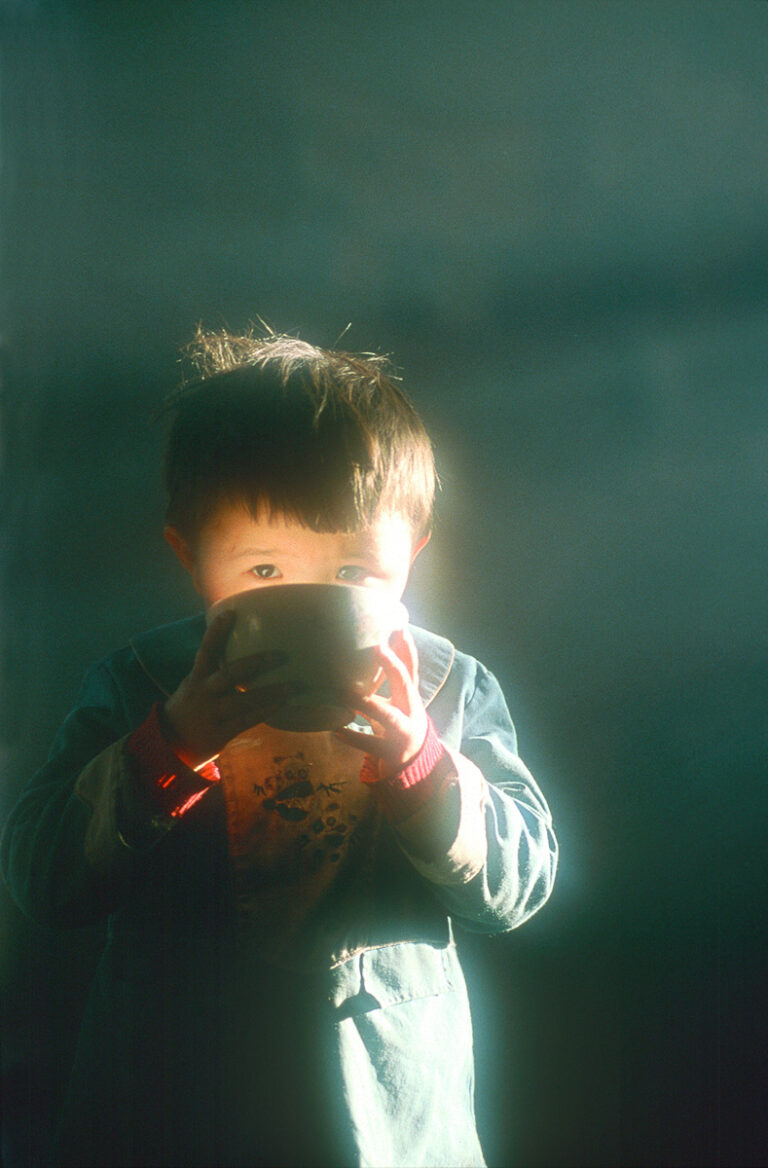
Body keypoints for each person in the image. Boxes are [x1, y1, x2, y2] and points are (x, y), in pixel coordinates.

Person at [1, 329, 558, 1168]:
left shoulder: (446, 690)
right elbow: (42, 876)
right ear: (190, 558)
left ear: (413, 555)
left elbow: (522, 883)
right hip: (173, 1105)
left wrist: (422, 762)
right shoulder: (142, 684)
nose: (307, 601)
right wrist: (174, 744)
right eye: (263, 571)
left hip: (383, 1117)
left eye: (352, 574)